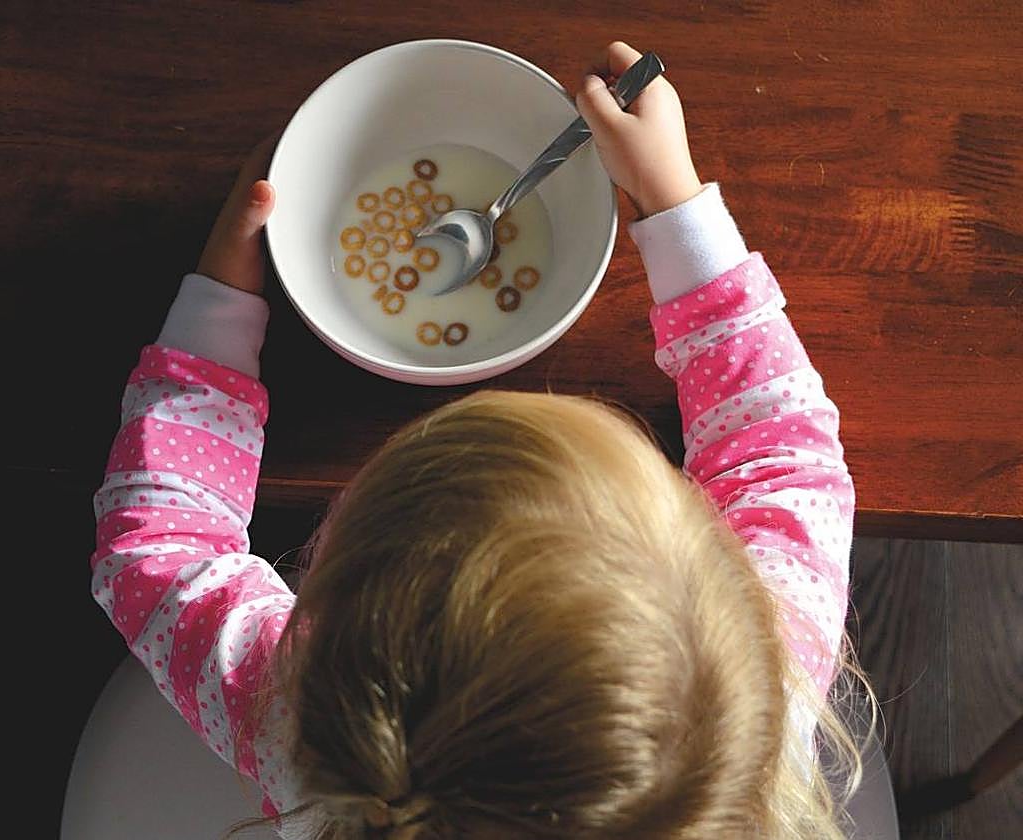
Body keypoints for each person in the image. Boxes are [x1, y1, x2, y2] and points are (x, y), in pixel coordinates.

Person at [90, 40, 869, 839]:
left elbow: (157, 546)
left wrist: (220, 300)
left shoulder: (297, 723)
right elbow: (782, 453)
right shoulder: (763, 692)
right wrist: (674, 202)